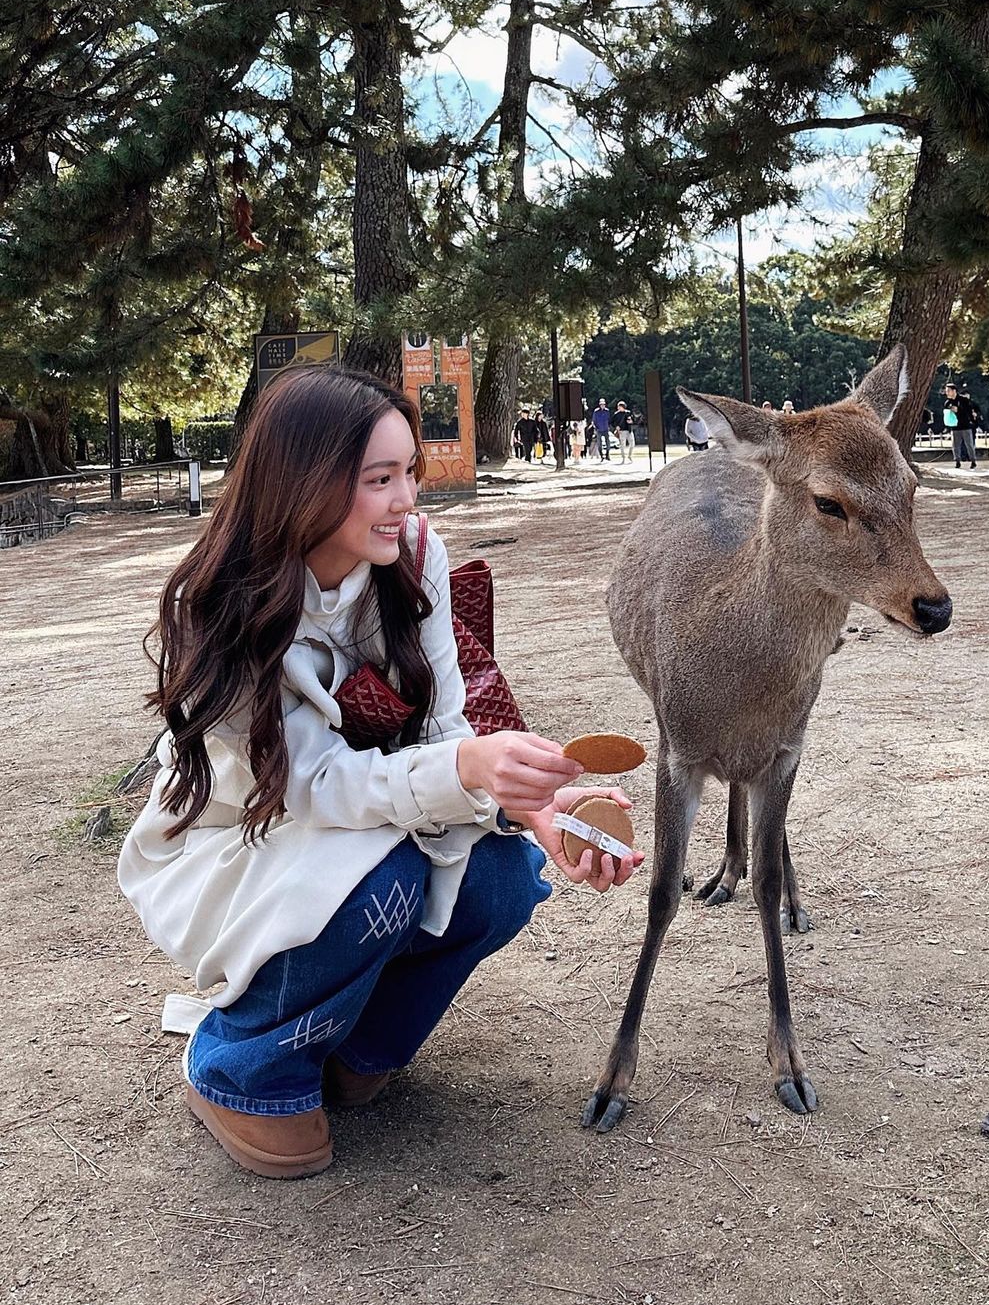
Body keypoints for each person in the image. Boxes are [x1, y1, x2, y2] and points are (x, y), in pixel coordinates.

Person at [117, 367, 644, 1179]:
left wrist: (538, 809)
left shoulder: (412, 558)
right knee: (389, 874)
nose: (406, 500)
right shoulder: (224, 607)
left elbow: (444, 726)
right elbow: (315, 786)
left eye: (409, 473)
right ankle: (240, 1068)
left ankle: (360, 1042)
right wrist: (469, 768)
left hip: (365, 820)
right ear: (303, 484)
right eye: (379, 480)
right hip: (243, 840)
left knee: (504, 875)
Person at [943, 382, 977, 468]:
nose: (946, 393)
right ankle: (957, 461)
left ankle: (973, 460)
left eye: (948, 391)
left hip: (965, 426)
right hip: (955, 427)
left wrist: (959, 410)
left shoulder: (964, 400)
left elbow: (969, 411)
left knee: (969, 444)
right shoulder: (947, 402)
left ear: (954, 391)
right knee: (955, 445)